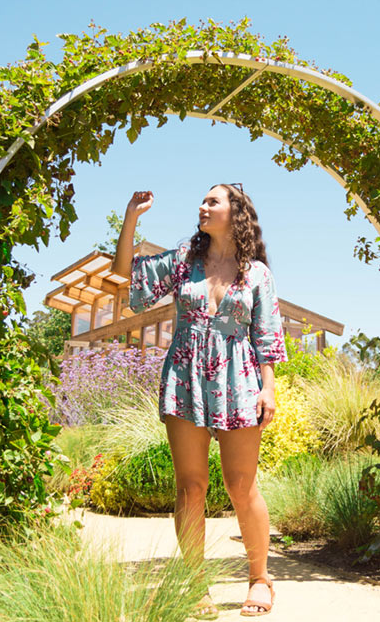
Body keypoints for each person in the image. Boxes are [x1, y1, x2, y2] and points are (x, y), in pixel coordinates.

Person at [111, 184, 287, 618]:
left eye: (213, 201)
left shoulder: (256, 273)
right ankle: (194, 585)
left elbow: (266, 336)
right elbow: (126, 278)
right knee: (191, 488)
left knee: (240, 487)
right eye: (203, 201)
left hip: (238, 379)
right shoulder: (183, 261)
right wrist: (131, 217)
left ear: (236, 213)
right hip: (185, 378)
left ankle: (259, 579)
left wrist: (269, 387)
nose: (203, 207)